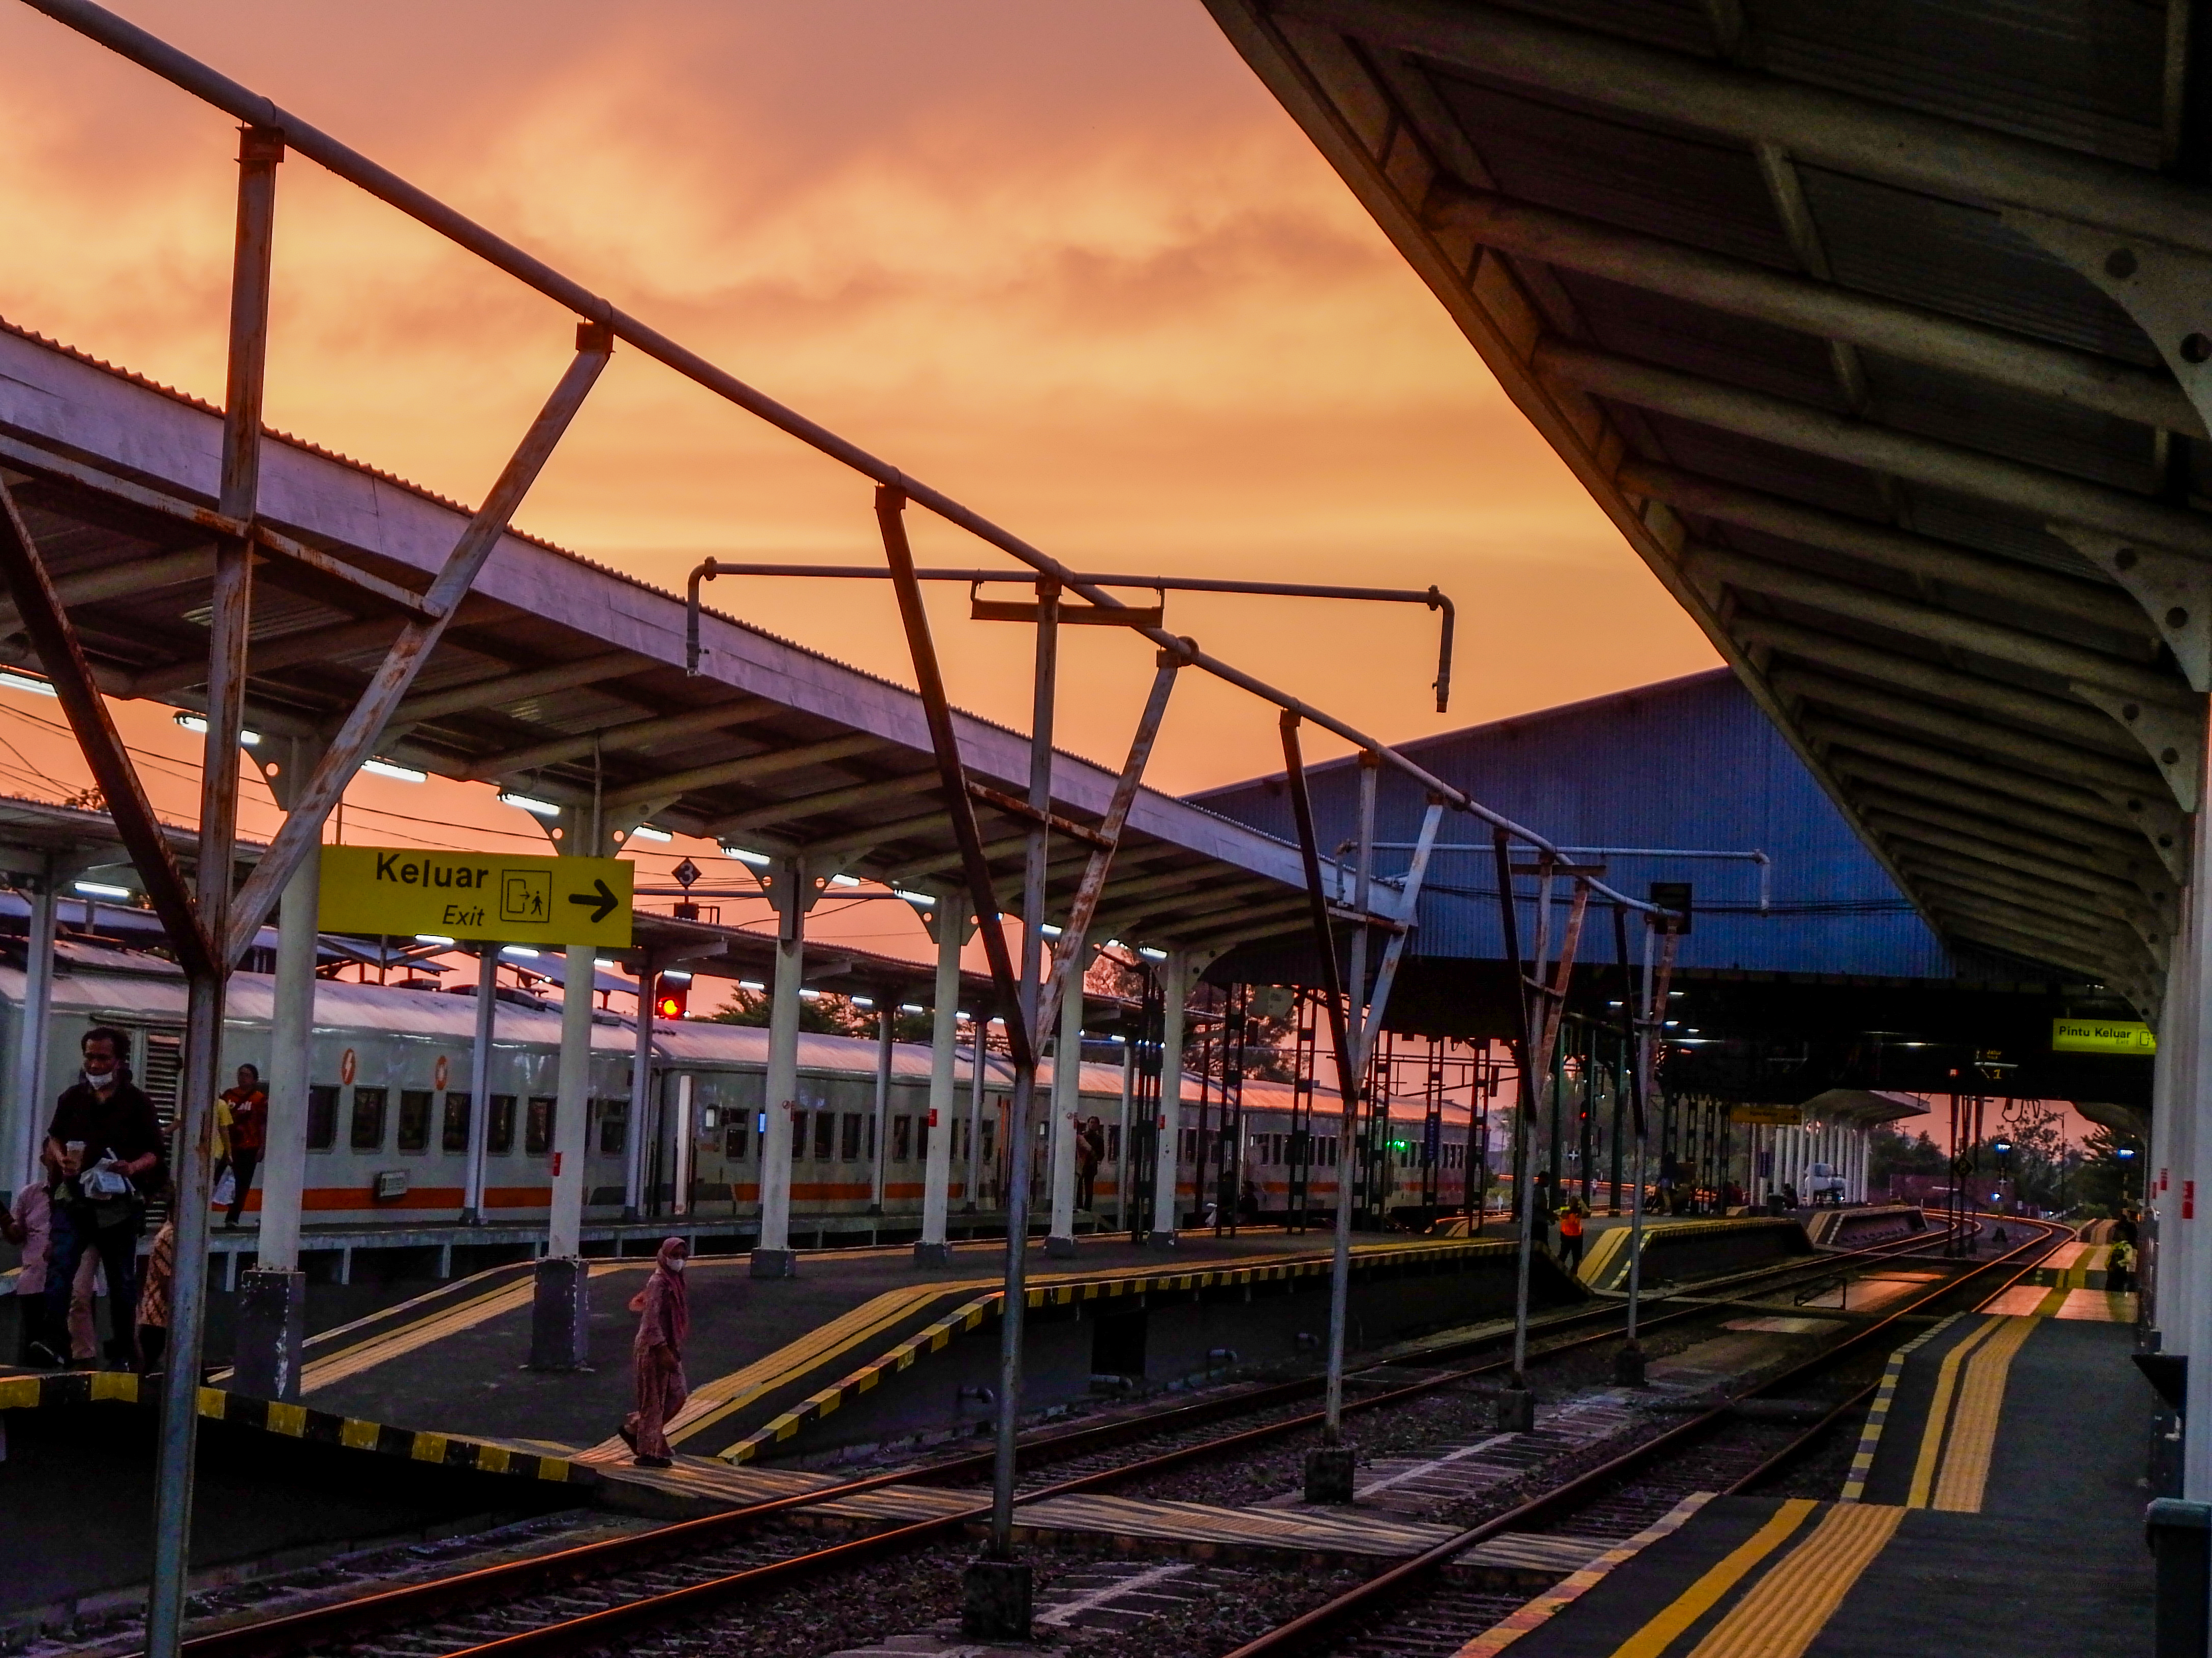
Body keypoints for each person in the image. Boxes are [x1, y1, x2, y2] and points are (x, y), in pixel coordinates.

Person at [44, 1026, 164, 1369]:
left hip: (118, 1205)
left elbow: (155, 1151)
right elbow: (54, 1136)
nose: (94, 1065)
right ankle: (54, 1340)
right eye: (90, 1057)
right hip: (77, 1198)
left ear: (118, 1061)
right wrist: (61, 1157)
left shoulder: (137, 1102)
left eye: (102, 1058)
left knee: (122, 1281)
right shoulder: (72, 1098)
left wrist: (133, 1167)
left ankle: (126, 1347)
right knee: (61, 1268)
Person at [620, 1237, 691, 1468]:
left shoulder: (675, 1281)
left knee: (677, 1395)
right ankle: (648, 1453)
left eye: (683, 1256)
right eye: (675, 1256)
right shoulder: (658, 1282)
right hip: (653, 1348)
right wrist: (661, 1349)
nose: (679, 1260)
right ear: (664, 1256)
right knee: (653, 1401)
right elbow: (650, 1321)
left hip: (669, 1347)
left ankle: (636, 1428)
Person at [5, 1166, 62, 1366]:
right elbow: (16, 1236)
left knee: (68, 1348)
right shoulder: (30, 1194)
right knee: (33, 1347)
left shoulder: (81, 1195)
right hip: (35, 1280)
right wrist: (4, 1220)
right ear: (45, 1159)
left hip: (71, 1283)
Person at [214, 1063, 267, 1229]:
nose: (242, 1078)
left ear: (254, 1079)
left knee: (242, 1184)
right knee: (216, 1179)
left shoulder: (259, 1099)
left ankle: (232, 1218)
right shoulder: (229, 1096)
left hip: (249, 1147)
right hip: (226, 1146)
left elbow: (263, 1124)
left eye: (247, 1075)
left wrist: (262, 1147)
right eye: (241, 1074)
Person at [136, 1218, 175, 1374]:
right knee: (144, 1366)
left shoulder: (171, 1235)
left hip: (157, 1313)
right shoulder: (168, 1237)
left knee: (145, 1366)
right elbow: (166, 1280)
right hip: (159, 1313)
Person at [1077, 1116, 1105, 1213]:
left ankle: (1087, 1207)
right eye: (1091, 1122)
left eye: (1095, 1123)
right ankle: (1080, 1205)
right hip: (1082, 1164)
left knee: (1089, 1186)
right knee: (1079, 1185)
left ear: (1098, 1125)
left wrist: (1095, 1159)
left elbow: (1102, 1154)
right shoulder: (1083, 1136)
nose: (1092, 1124)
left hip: (1091, 1166)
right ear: (1088, 1124)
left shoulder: (1099, 1139)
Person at [1557, 1197, 1586, 1275]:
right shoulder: (1567, 1211)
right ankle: (1562, 1271)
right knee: (1565, 1257)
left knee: (1574, 1259)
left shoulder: (1577, 1212)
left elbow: (1586, 1212)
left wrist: (1581, 1202)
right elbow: (1558, 1213)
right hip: (1570, 1237)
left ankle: (1571, 1273)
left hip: (1574, 1237)